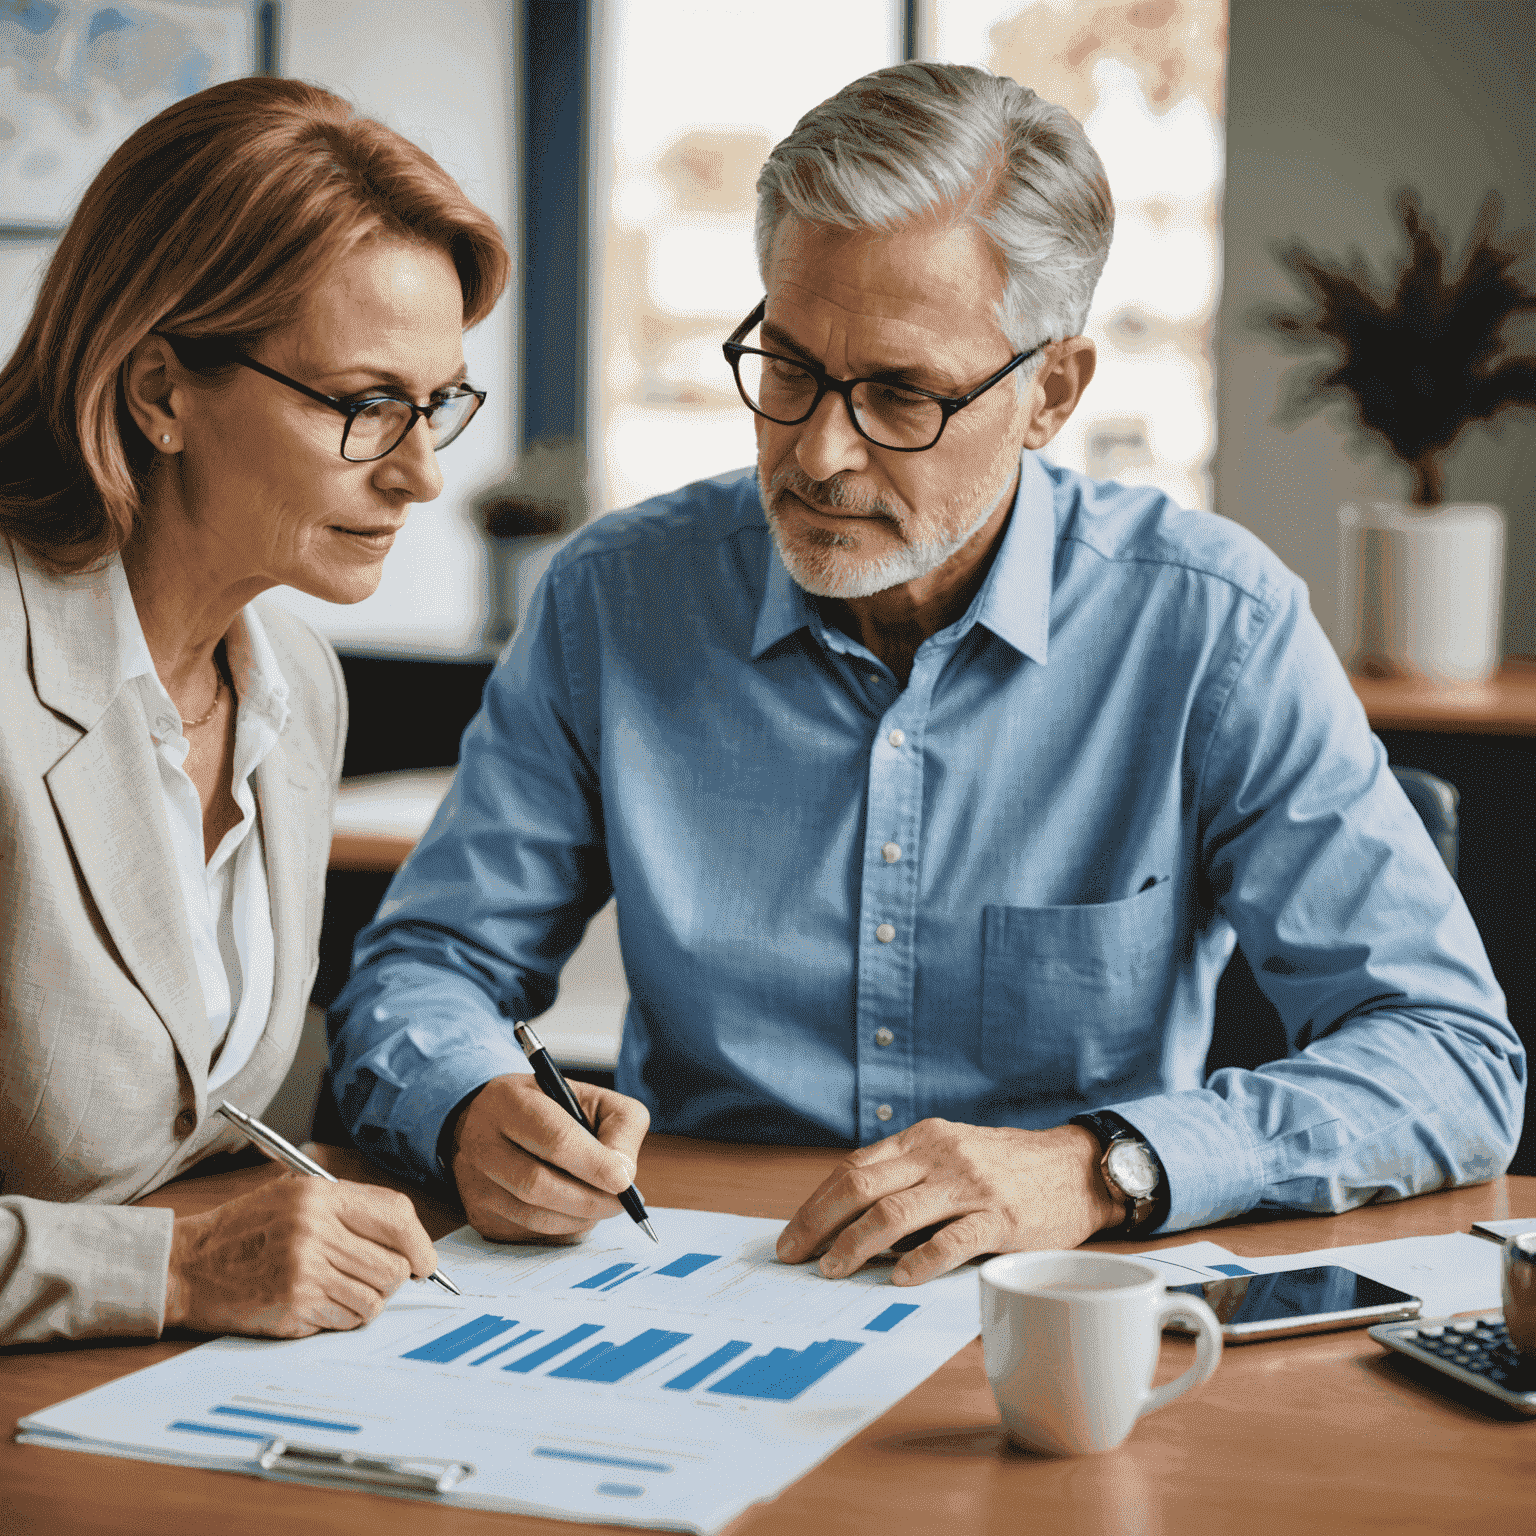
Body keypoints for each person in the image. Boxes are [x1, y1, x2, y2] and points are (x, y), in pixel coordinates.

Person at [331, 62, 1522, 1286]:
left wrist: (1099, 1166)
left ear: (1051, 391)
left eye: (900, 392)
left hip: (1060, 1309)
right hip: (699, 1283)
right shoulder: (615, 600)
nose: (818, 452)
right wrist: (473, 1101)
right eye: (786, 367)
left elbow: (1451, 1057)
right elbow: (429, 968)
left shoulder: (1212, 626)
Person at [0, 76, 510, 1343]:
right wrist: (171, 1272)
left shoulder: (292, 680)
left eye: (438, 400)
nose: (423, 471)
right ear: (161, 390)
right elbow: (165, 1233)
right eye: (363, 404)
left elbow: (197, 1132)